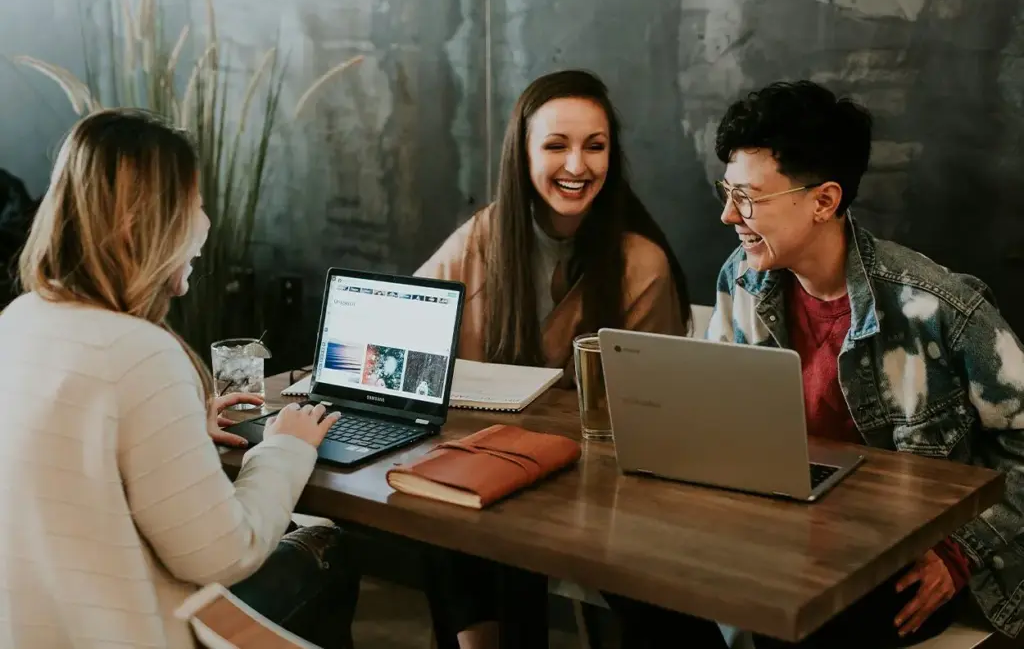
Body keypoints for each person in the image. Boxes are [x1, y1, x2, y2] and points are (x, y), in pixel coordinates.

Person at [0, 108, 359, 649]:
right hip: (131, 630)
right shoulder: (142, 353)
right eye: (194, 206)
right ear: (146, 223)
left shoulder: (21, 319)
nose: (205, 225)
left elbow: (76, 468)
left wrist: (183, 428)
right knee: (331, 547)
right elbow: (224, 553)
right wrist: (282, 449)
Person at [707, 80, 1024, 646]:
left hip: (898, 558)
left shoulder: (939, 307)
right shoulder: (742, 278)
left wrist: (960, 551)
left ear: (825, 201)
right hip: (782, 540)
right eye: (726, 192)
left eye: (749, 197)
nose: (731, 216)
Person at [414, 69, 704, 648]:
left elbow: (649, 416)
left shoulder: (639, 263)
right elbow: (408, 331)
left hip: (597, 491)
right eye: (555, 146)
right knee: (445, 505)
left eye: (594, 147)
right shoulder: (481, 238)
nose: (577, 165)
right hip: (488, 472)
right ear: (521, 155)